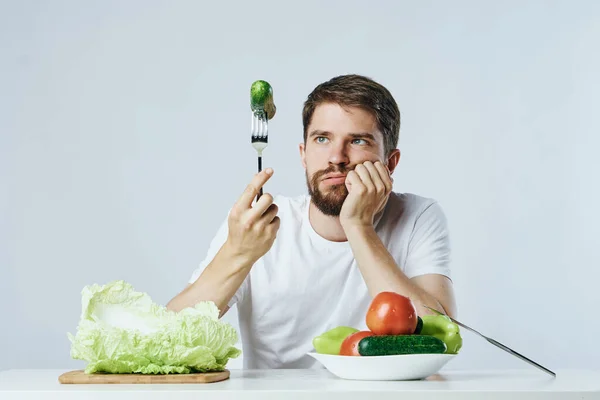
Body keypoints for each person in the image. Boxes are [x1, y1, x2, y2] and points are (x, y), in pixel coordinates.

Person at [166, 74, 457, 369]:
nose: (336, 158)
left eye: (357, 140)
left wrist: (358, 226)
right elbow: (168, 337)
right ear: (303, 155)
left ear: (390, 163)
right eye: (322, 139)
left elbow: (440, 340)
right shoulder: (258, 224)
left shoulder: (418, 216)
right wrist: (238, 253)